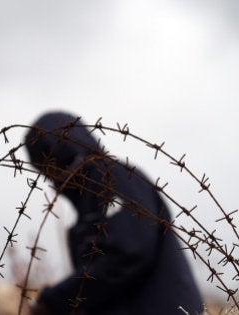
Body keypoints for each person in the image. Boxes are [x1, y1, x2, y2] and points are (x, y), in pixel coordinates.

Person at [24, 112, 204, 315]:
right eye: (43, 169)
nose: (51, 177)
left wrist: (55, 300)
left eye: (50, 163)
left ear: (64, 152)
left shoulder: (114, 180)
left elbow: (128, 254)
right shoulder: (89, 204)